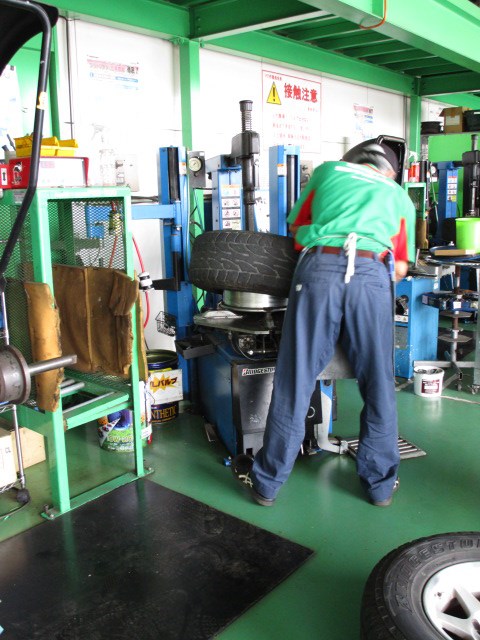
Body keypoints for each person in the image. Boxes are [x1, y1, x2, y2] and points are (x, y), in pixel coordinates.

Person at [233, 140, 416, 507]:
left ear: (352, 159)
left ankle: (267, 484)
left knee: (295, 379)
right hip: (370, 275)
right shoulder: (399, 196)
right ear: (389, 171)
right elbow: (399, 266)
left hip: (320, 269)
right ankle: (379, 487)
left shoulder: (328, 171)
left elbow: (297, 229)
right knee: (378, 383)